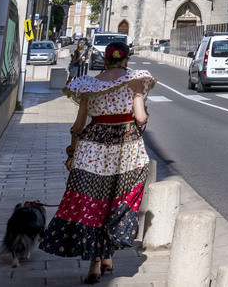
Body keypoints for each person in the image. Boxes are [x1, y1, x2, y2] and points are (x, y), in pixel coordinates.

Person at [39, 40, 153, 282]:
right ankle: (107, 255)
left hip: (92, 151)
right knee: (115, 202)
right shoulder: (134, 81)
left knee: (94, 205)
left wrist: (72, 151)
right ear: (126, 60)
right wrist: (143, 117)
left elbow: (79, 125)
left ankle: (96, 264)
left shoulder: (89, 84)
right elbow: (140, 117)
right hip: (126, 150)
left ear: (105, 59)